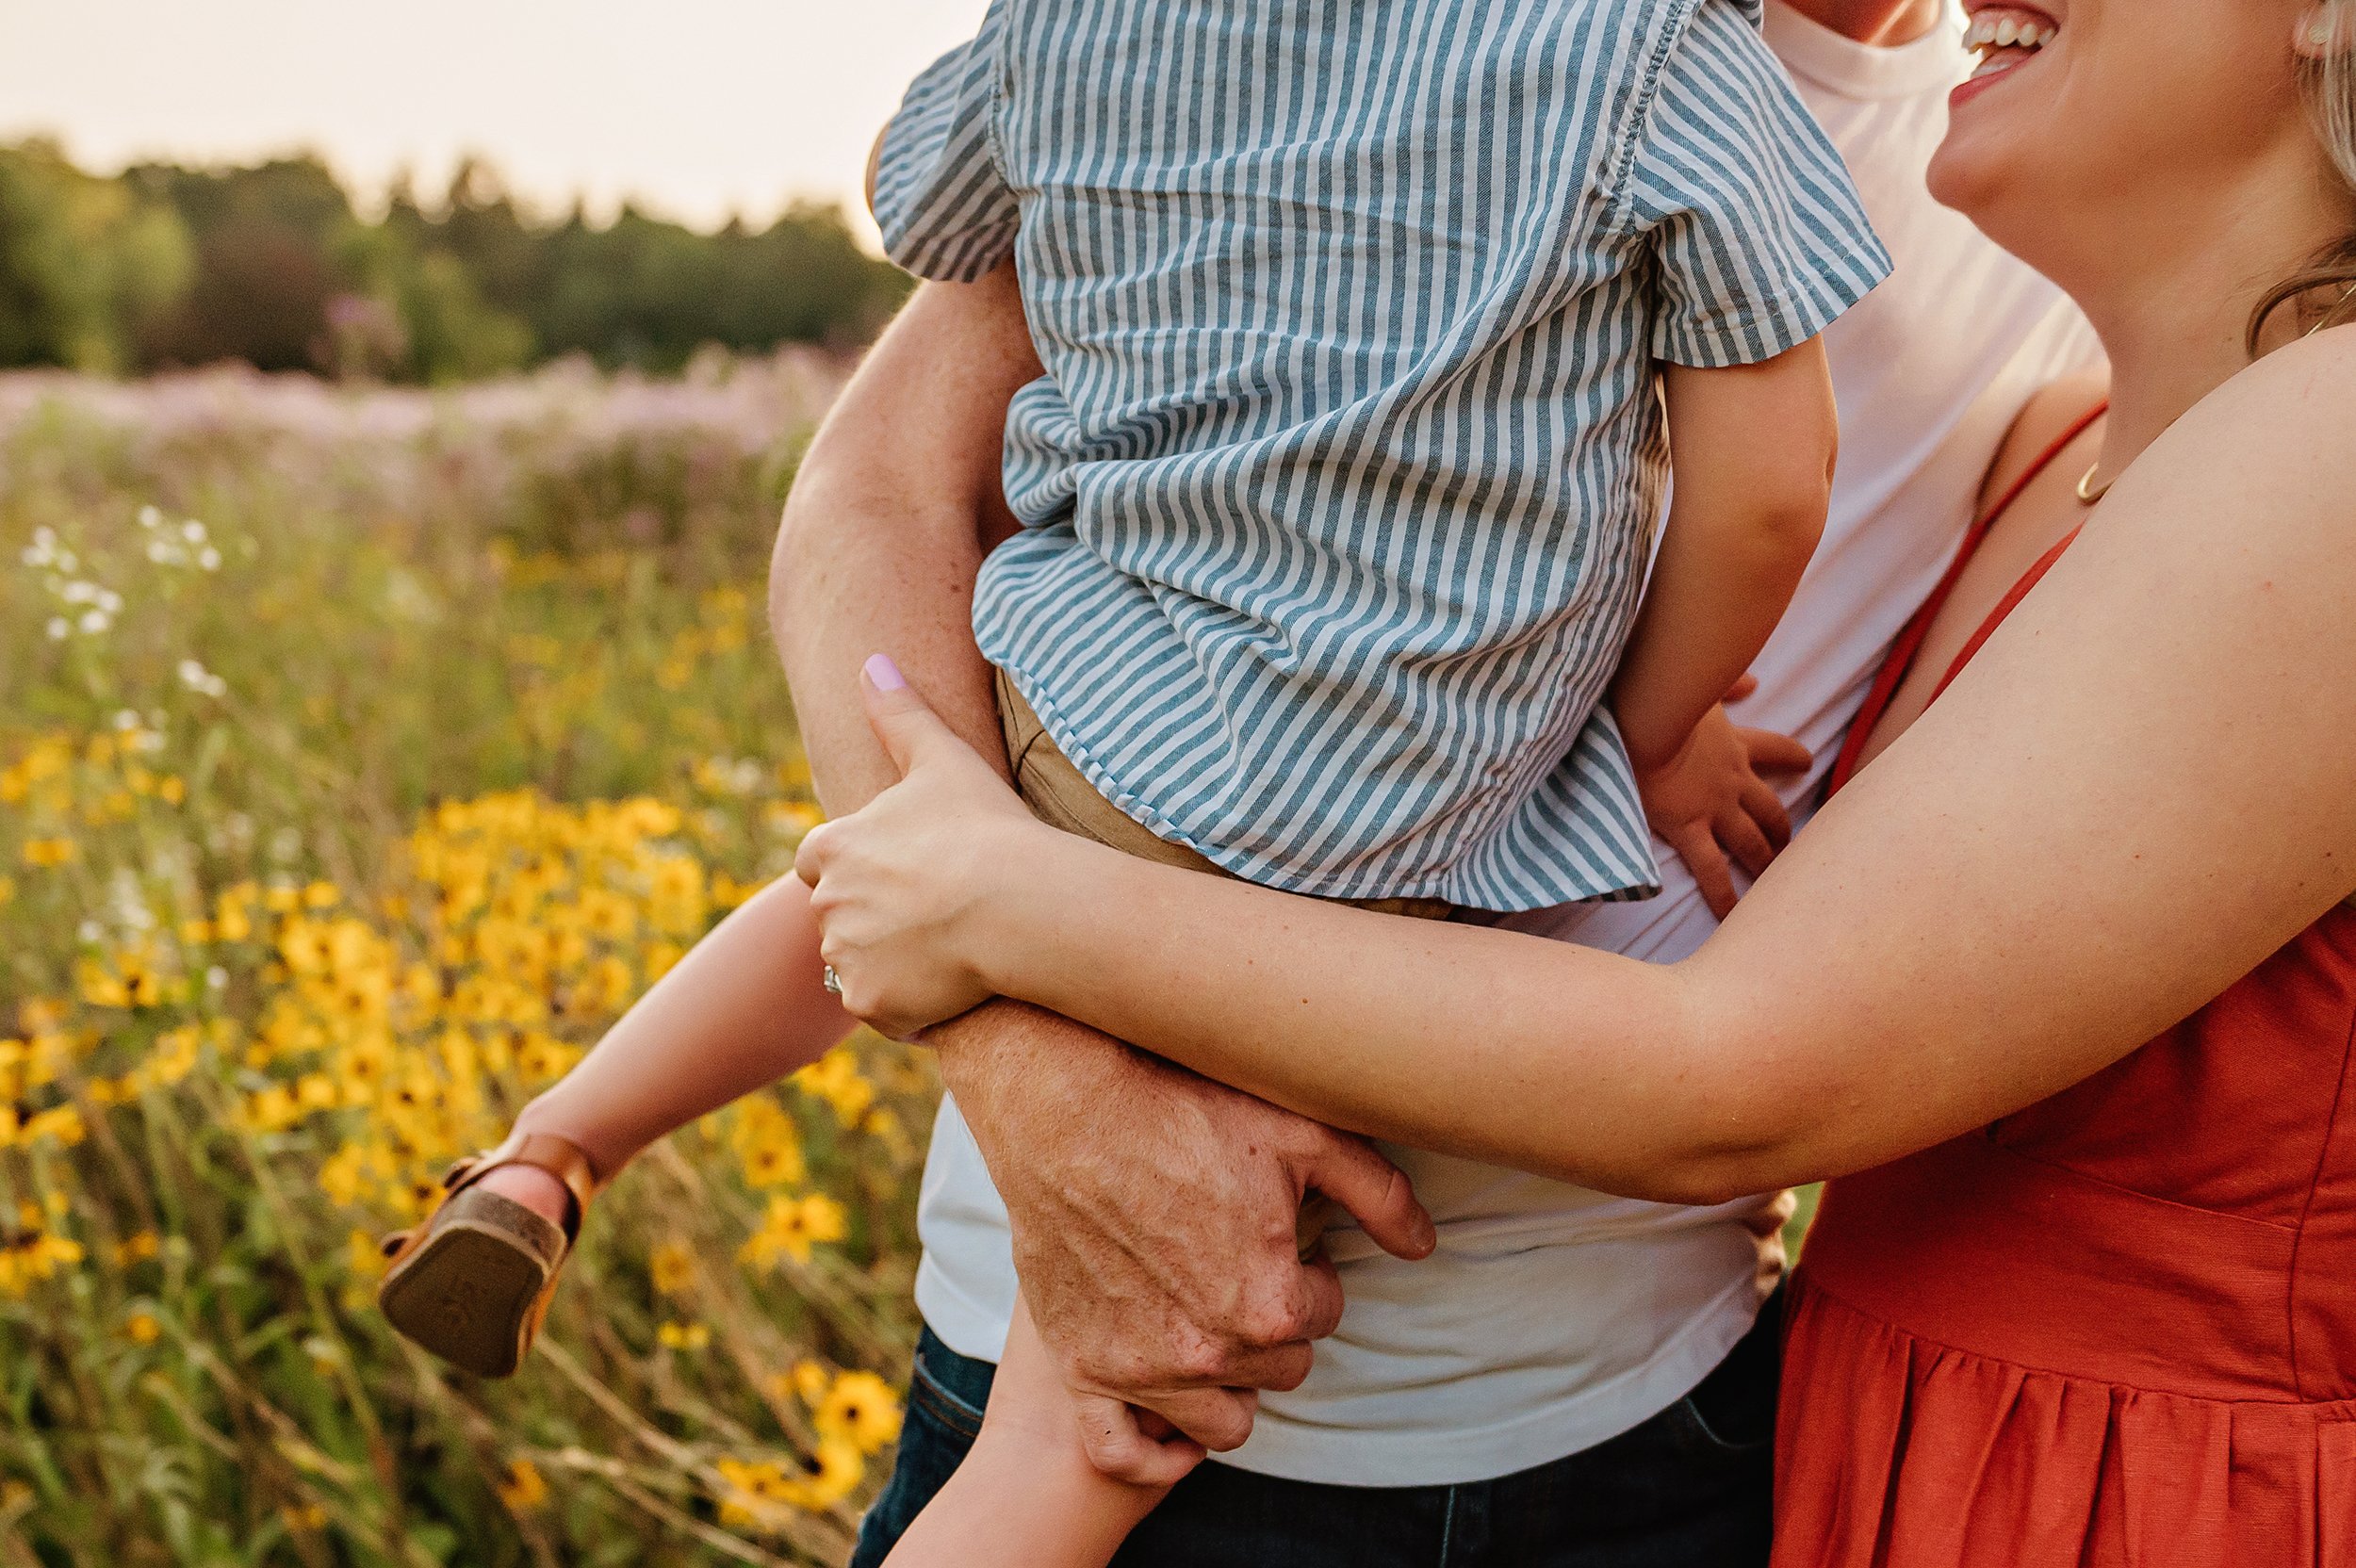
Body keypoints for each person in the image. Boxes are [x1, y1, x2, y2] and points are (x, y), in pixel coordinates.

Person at [795, 0, 2356, 1557]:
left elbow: (1753, 1068)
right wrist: (1035, 1069)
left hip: (1648, 1418)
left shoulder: (2023, 249)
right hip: (1182, 1338)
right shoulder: (1420, 45)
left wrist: (1004, 911)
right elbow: (882, 490)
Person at [381, 0, 1881, 1457]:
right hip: (1380, 787)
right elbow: (1767, 487)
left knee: (889, 874)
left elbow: (921, 202)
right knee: (1136, 1347)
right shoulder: (1665, 53)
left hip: (1100, 688)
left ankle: (557, 1151)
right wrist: (1654, 727)